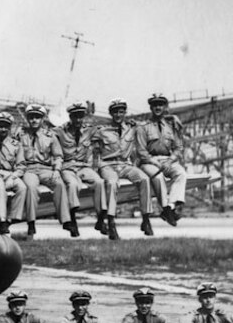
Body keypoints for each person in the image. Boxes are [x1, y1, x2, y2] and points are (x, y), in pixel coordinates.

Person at [93, 98, 154, 238]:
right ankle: (111, 223)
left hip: (125, 165)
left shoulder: (132, 128)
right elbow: (87, 140)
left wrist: (136, 123)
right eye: (115, 112)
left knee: (145, 179)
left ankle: (146, 220)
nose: (118, 115)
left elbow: (148, 127)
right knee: (112, 183)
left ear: (125, 113)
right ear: (110, 113)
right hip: (108, 165)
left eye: (121, 112)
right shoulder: (102, 130)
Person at [55, 102, 107, 237]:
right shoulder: (60, 131)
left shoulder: (89, 130)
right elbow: (43, 134)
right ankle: (72, 221)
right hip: (67, 167)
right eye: (75, 117)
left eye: (80, 117)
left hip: (83, 166)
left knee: (99, 182)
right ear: (70, 117)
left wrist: (131, 125)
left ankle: (100, 220)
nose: (78, 120)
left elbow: (107, 131)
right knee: (72, 185)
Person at [18, 104, 70, 237]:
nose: (34, 120)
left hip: (45, 168)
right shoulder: (21, 134)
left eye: (37, 117)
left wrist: (57, 170)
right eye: (31, 117)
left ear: (42, 119)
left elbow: (58, 156)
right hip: (29, 169)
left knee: (59, 184)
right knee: (31, 187)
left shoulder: (50, 136)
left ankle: (65, 220)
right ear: (27, 119)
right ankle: (31, 222)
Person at [136, 94, 187, 226]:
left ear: (165, 107)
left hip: (167, 159)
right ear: (151, 107)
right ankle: (164, 207)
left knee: (181, 173)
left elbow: (178, 147)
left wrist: (170, 160)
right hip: (149, 161)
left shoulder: (171, 126)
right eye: (155, 105)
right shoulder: (143, 127)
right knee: (158, 178)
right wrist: (155, 162)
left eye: (160, 105)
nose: (158, 107)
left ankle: (170, 206)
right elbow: (141, 151)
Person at [0, 112, 27, 235]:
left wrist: (13, 176)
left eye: (6, 126)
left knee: (22, 187)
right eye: (0, 126)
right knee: (0, 188)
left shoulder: (16, 145)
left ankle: (12, 218)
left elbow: (21, 165)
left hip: (10, 174)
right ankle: (2, 220)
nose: (3, 129)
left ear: (10, 128)